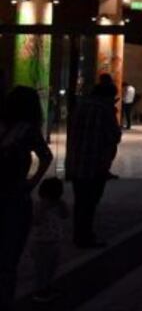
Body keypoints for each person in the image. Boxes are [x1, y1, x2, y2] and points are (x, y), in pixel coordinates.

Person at [0, 86, 53, 308]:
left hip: (11, 196)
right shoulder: (25, 131)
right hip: (14, 198)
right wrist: (31, 183)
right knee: (8, 259)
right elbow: (46, 156)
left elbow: (46, 157)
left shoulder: (10, 129)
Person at [65, 74, 121, 248]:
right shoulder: (105, 110)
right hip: (95, 163)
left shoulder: (80, 107)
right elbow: (113, 136)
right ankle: (86, 235)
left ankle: (79, 234)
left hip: (77, 161)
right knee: (90, 202)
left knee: (80, 201)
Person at [30, 177, 68, 303]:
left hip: (55, 241)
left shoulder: (58, 204)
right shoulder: (39, 205)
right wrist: (44, 208)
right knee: (41, 269)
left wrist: (62, 204)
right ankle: (39, 291)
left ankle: (47, 287)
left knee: (51, 267)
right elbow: (35, 221)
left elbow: (65, 215)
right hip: (41, 243)